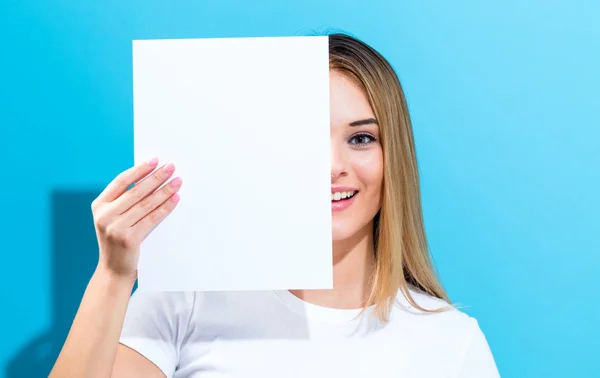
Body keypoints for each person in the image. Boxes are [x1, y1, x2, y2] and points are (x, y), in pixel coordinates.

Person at [50, 32, 500, 378]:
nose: (332, 166)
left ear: (393, 158)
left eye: (361, 138)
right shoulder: (187, 299)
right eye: (305, 137)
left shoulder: (451, 343)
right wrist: (113, 275)